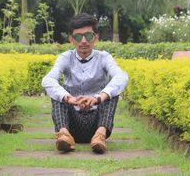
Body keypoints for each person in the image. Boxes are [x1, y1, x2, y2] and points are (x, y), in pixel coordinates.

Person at [41, 13, 129, 154]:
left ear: (96, 38)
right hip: (71, 124)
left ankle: (100, 137)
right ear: (71, 39)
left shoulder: (104, 57)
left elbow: (122, 76)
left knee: (111, 92)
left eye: (88, 36)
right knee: (58, 91)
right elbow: (48, 80)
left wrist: (97, 98)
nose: (83, 41)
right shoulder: (65, 58)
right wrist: (70, 98)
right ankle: (63, 135)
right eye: (78, 36)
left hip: (98, 123)